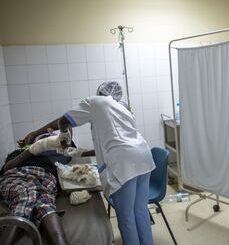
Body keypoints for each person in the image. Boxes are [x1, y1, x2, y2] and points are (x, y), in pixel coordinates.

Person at [21, 81, 155, 245]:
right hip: (143, 156)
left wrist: (61, 134)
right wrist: (81, 152)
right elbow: (113, 142)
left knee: (126, 216)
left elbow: (63, 120)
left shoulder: (95, 102)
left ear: (100, 92)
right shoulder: (121, 107)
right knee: (140, 210)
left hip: (124, 162)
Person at [0, 133, 73, 245]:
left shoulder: (58, 152)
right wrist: (29, 151)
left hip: (45, 176)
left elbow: (68, 138)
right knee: (26, 195)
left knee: (45, 205)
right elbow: (6, 169)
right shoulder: (16, 153)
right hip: (17, 175)